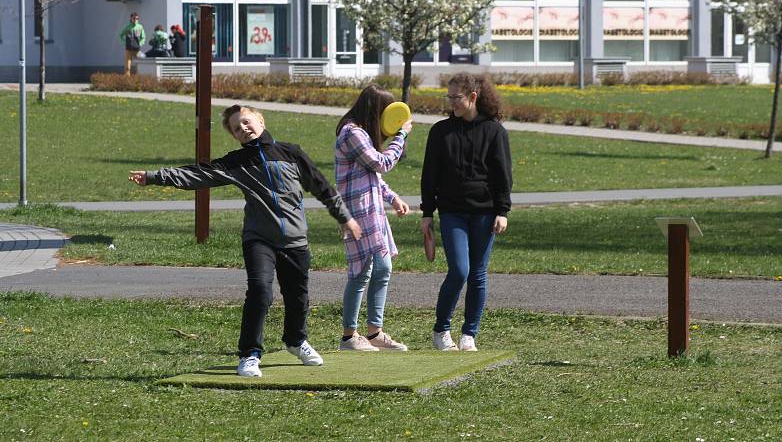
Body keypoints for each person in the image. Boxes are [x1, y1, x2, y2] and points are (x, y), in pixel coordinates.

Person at [128, 104, 363, 377]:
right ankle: (250, 354)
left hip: (295, 240)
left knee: (298, 297)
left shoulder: (292, 153)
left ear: (260, 120)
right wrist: (155, 177)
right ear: (235, 137)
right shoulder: (235, 162)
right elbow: (196, 174)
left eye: (247, 122)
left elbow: (322, 186)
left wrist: (345, 218)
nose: (244, 129)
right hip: (259, 239)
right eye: (237, 129)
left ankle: (296, 341)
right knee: (260, 292)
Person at [421, 73, 512, 352]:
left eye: (456, 97)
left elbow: (502, 175)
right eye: (448, 97)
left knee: (478, 274)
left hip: (485, 214)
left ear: (472, 97)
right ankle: (441, 330)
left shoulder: (494, 131)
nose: (451, 103)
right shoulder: (440, 132)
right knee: (460, 270)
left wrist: (502, 210)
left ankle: (469, 334)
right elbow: (429, 176)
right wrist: (427, 213)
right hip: (452, 212)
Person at [335, 85, 412, 352]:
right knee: (361, 271)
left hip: (372, 211)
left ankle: (374, 332)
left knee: (383, 269)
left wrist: (393, 197)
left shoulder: (362, 134)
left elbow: (373, 177)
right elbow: (380, 164)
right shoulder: (352, 132)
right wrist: (401, 136)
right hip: (357, 213)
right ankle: (349, 336)